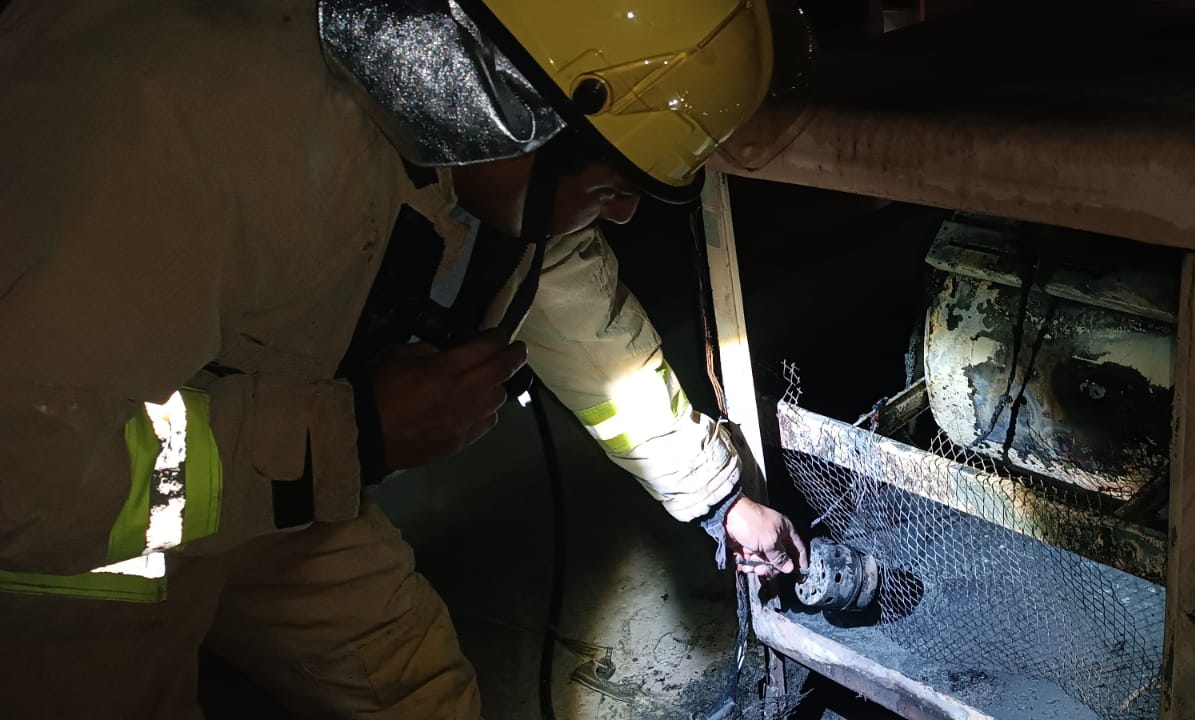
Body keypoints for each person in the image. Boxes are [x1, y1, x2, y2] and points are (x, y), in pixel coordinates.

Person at [0, 0, 807, 717]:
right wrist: (356, 436)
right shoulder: (172, 116)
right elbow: (26, 470)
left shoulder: (469, 148)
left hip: (276, 491)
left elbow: (591, 330)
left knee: (415, 689)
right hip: (77, 555)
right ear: (517, 110)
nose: (624, 215)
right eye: (610, 186)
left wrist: (717, 498)